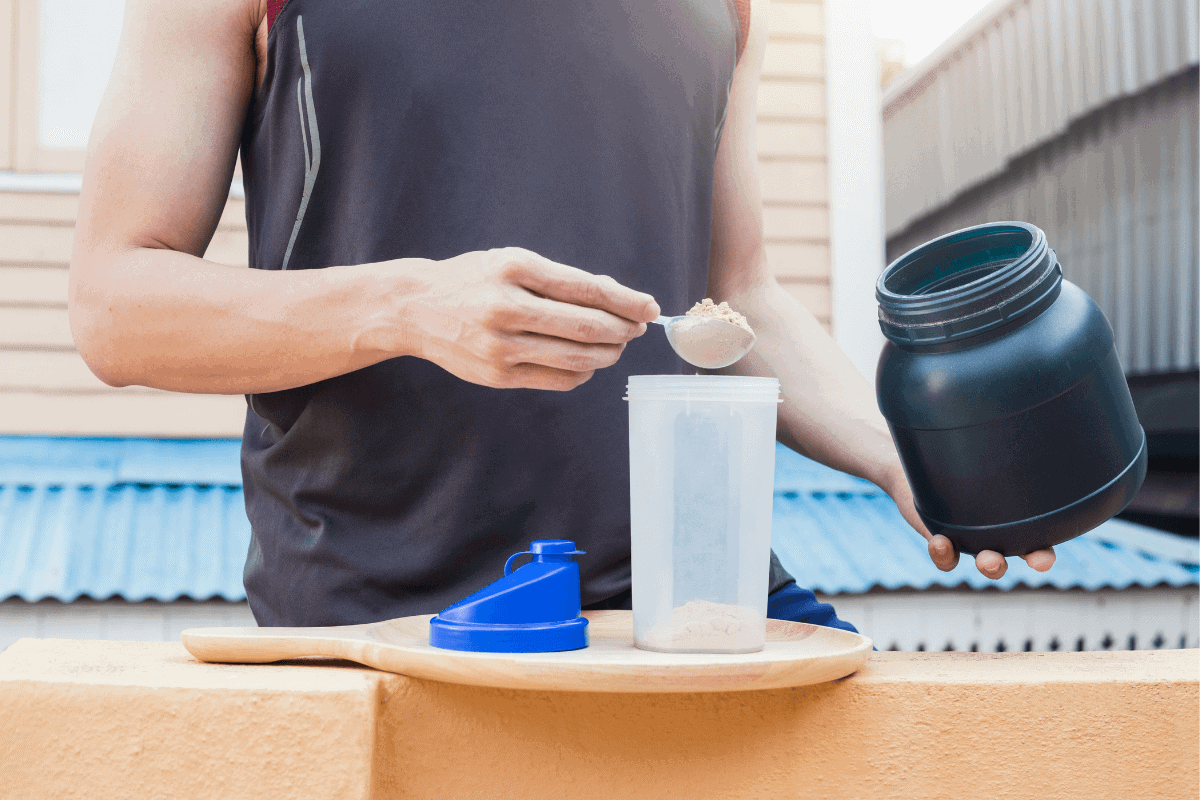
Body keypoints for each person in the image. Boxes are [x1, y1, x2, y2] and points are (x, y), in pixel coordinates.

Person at [69, 0, 1055, 631]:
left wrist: (900, 452)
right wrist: (409, 304)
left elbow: (736, 293)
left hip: (694, 605)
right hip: (387, 616)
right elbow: (116, 302)